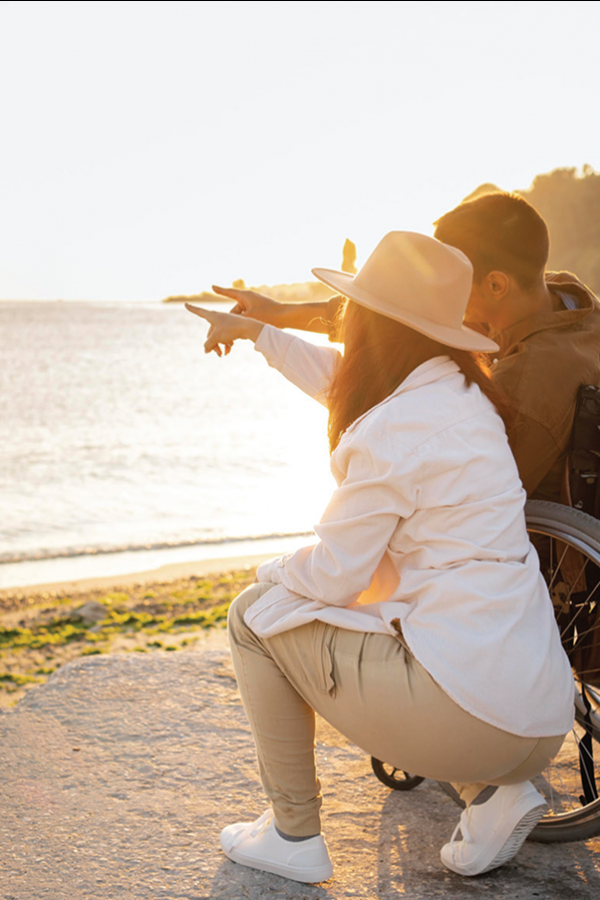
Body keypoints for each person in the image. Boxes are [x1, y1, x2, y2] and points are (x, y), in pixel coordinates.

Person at [186, 231, 574, 883]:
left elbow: (336, 575)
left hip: (477, 715)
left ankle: (292, 833)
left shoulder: (396, 427)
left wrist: (271, 576)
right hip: (537, 718)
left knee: (253, 617)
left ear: (370, 320)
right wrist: (261, 335)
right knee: (401, 619)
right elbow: (347, 382)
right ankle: (494, 793)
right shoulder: (463, 395)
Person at [212, 192, 600, 505]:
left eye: (450, 277)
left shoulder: (528, 382)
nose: (436, 290)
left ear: (496, 285)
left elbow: (473, 497)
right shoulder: (561, 299)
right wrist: (277, 315)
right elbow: (393, 321)